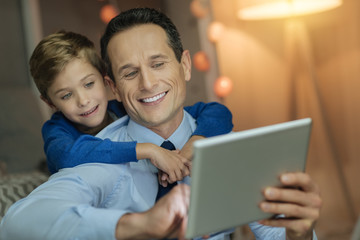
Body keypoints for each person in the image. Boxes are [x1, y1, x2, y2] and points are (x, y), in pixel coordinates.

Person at [0, 8, 322, 240]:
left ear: (184, 65)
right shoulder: (101, 155)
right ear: (113, 86)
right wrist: (137, 226)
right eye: (130, 73)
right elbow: (16, 224)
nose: (148, 83)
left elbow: (278, 233)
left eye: (158, 64)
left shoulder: (229, 146)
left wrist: (300, 232)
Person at [29, 31, 233, 185]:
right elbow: (67, 156)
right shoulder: (56, 130)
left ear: (106, 81)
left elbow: (217, 112)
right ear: (50, 102)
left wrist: (196, 143)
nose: (83, 100)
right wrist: (148, 150)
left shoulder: (121, 108)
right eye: (66, 95)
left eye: (89, 84)